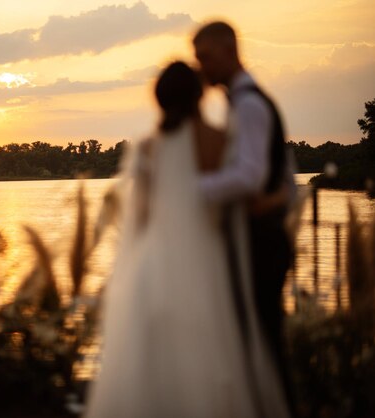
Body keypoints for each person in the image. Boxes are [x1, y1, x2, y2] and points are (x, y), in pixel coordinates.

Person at [85, 61, 282, 418]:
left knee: (150, 367)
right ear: (199, 94)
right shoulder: (220, 140)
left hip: (154, 266)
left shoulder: (147, 148)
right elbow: (233, 202)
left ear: (159, 98)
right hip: (206, 266)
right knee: (210, 360)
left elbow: (140, 217)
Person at [194, 21, 296, 415]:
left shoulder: (250, 105)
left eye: (205, 57)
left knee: (266, 346)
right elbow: (285, 177)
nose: (202, 67)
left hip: (262, 246)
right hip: (256, 239)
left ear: (228, 51)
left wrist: (190, 189)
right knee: (260, 344)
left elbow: (250, 175)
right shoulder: (246, 103)